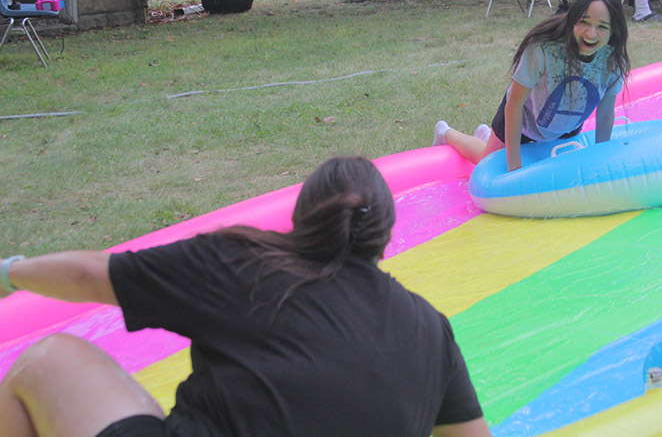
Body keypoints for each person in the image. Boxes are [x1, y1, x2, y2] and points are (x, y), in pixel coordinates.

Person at [0, 157, 490, 437]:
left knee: (48, 358)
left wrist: (12, 272)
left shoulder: (242, 262)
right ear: (385, 238)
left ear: (300, 217)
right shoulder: (430, 329)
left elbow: (89, 277)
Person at [434, 0, 629, 172]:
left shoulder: (612, 57)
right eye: (584, 22)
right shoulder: (543, 49)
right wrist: (514, 166)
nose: (591, 33)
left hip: (565, 129)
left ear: (613, 30)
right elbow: (515, 105)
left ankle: (487, 135)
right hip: (522, 124)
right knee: (486, 160)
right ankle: (445, 132)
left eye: (602, 27)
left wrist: (602, 161)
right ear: (573, 19)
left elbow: (604, 115)